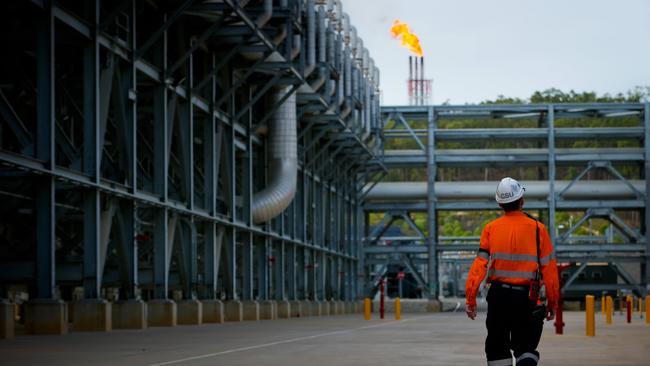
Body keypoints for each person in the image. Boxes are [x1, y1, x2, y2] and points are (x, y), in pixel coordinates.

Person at [465, 177, 560, 366]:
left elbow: (479, 265)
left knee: (497, 347)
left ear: (500, 203)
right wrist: (552, 301)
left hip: (498, 297)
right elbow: (549, 269)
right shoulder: (537, 229)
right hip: (527, 298)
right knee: (526, 347)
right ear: (522, 200)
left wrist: (471, 298)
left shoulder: (490, 229)